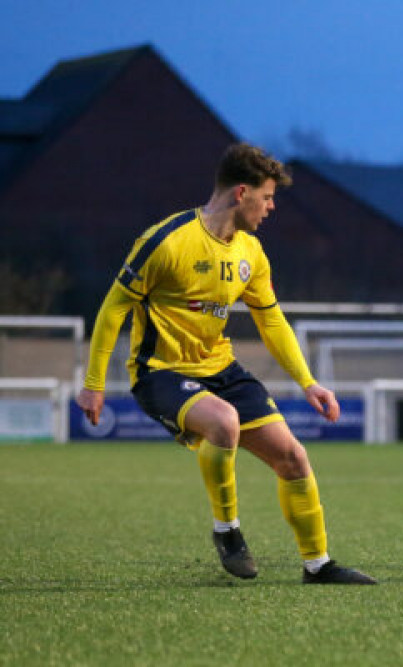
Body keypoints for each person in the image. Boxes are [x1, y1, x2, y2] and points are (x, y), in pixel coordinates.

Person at [76, 143, 377, 585]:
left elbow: (271, 320)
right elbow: (112, 310)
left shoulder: (251, 253)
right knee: (224, 422)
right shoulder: (165, 241)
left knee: (293, 457)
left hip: (221, 368)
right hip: (161, 371)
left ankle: (318, 566)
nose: (272, 207)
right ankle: (228, 532)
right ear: (242, 193)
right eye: (268, 196)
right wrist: (93, 383)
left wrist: (309, 382)